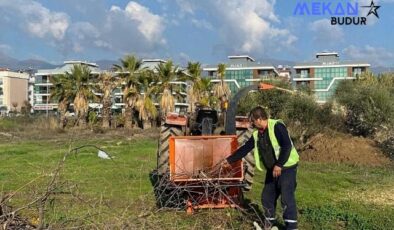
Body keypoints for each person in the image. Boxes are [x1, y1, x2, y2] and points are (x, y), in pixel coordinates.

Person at [223, 106, 299, 230]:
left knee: (286, 197)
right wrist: (229, 160)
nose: (251, 124)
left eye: (252, 121)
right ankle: (269, 224)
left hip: (287, 168)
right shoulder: (257, 134)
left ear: (259, 119)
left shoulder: (277, 127)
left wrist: (279, 164)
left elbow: (287, 146)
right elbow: (245, 148)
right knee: (267, 196)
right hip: (272, 170)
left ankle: (291, 227)